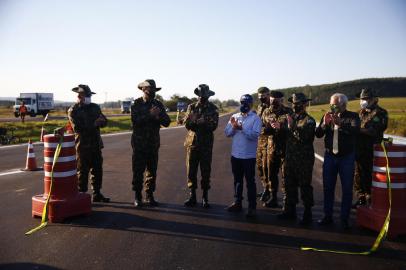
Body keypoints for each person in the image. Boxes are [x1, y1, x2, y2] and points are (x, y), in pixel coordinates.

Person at [315, 93, 360, 229]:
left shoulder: (353, 116)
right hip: (330, 156)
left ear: (343, 104)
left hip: (346, 157)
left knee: (347, 189)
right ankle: (327, 216)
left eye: (335, 104)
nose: (332, 107)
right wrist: (324, 124)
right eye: (331, 104)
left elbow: (355, 131)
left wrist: (340, 125)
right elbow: (318, 134)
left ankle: (344, 219)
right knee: (328, 187)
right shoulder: (327, 115)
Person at [131, 79, 171, 207]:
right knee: (138, 171)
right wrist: (150, 114)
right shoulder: (136, 104)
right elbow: (135, 121)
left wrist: (158, 116)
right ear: (143, 90)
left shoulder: (158, 104)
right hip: (139, 144)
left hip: (153, 144)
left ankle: (150, 195)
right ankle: (138, 196)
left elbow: (167, 122)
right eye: (150, 90)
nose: (152, 92)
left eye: (154, 90)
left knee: (152, 171)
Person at [68, 84, 110, 202]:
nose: (88, 97)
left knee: (97, 170)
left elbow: (104, 120)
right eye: (86, 95)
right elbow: (77, 129)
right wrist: (94, 124)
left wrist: (102, 122)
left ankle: (97, 193)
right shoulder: (73, 110)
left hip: (96, 144)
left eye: (89, 95)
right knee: (82, 171)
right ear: (80, 96)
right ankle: (81, 196)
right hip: (82, 146)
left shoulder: (95, 107)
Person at [278, 93, 316, 225]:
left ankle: (307, 213)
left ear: (305, 104)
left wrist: (292, 126)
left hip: (304, 159)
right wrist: (277, 127)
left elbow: (304, 137)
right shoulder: (290, 117)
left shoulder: (309, 120)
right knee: (289, 185)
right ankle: (290, 210)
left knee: (305, 186)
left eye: (298, 103)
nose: (295, 106)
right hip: (289, 158)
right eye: (293, 103)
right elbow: (282, 128)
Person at [225, 94, 262, 218]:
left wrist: (242, 129)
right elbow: (227, 133)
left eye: (246, 103)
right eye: (242, 102)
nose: (244, 105)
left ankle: (252, 207)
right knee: (237, 181)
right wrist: (234, 128)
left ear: (251, 104)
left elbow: (255, 135)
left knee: (250, 182)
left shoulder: (256, 118)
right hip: (236, 155)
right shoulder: (234, 117)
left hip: (249, 156)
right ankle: (237, 202)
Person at [183, 84, 219, 208]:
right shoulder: (191, 107)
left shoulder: (213, 108)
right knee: (191, 171)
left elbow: (214, 126)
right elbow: (187, 124)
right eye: (200, 95)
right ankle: (192, 195)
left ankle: (205, 197)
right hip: (192, 144)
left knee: (205, 171)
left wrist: (204, 122)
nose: (202, 97)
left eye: (204, 95)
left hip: (206, 145)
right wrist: (192, 121)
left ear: (208, 96)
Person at [353, 88, 388, 207]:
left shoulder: (380, 113)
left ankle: (372, 200)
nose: (362, 101)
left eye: (365, 99)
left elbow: (374, 130)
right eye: (361, 99)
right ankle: (361, 197)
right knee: (358, 175)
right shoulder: (360, 112)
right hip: (359, 150)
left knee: (372, 176)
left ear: (373, 99)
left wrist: (357, 130)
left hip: (372, 151)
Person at [261, 91, 293, 208]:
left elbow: (293, 127)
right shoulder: (266, 111)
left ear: (281, 100)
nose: (273, 103)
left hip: (286, 148)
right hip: (272, 148)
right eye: (272, 100)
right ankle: (274, 198)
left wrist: (281, 127)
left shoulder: (288, 111)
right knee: (272, 175)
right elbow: (262, 127)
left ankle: (287, 202)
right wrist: (268, 128)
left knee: (286, 176)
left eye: (276, 100)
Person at [255, 87, 272, 203]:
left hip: (269, 142)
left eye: (264, 95)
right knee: (260, 166)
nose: (261, 98)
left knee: (267, 168)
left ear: (268, 95)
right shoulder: (260, 107)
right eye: (260, 96)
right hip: (260, 141)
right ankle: (265, 186)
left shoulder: (273, 107)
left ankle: (269, 190)